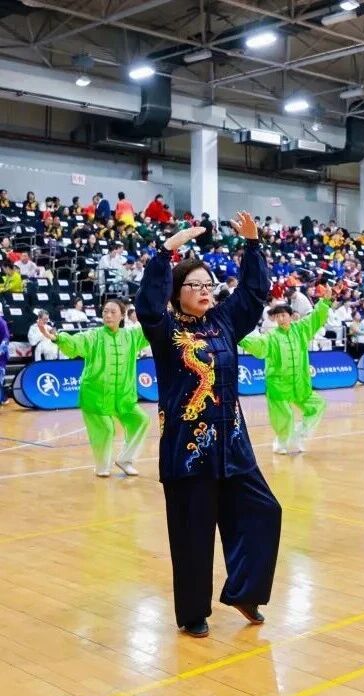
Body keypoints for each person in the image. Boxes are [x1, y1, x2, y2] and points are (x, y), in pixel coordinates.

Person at [135, 214, 280, 639]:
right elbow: (147, 304)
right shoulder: (164, 329)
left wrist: (252, 247)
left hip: (233, 447)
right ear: (177, 292)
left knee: (264, 512)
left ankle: (245, 591)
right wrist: (165, 252)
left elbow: (253, 294)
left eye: (208, 285)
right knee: (192, 535)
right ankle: (193, 612)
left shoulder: (224, 321)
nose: (203, 291)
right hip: (188, 451)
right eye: (194, 285)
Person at [38, 299, 150, 477]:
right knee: (106, 428)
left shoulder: (131, 336)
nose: (108, 315)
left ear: (122, 315)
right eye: (105, 311)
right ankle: (102, 465)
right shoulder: (94, 336)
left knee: (141, 420)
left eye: (113, 312)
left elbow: (151, 331)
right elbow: (76, 343)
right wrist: (57, 338)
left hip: (123, 395)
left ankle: (125, 459)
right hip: (95, 395)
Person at [240, 289, 332, 454]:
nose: (281, 319)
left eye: (283, 315)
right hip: (279, 384)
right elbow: (259, 346)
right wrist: (240, 338)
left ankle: (300, 435)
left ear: (291, 316)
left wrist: (324, 302)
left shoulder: (301, 329)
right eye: (278, 316)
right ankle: (281, 442)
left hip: (299, 382)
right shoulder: (272, 337)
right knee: (284, 415)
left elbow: (316, 318)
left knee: (318, 405)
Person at [0, 313, 9, 406]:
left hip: (1, 355)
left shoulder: (2, 322)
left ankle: (2, 398)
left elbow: (6, 338)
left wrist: (0, 350)